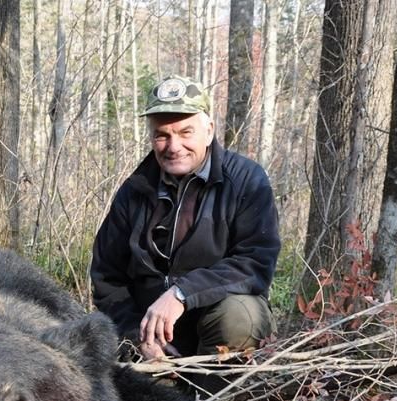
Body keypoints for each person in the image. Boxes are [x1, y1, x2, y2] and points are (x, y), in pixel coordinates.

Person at [90, 75, 280, 371]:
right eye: (162, 135)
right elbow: (107, 277)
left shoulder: (245, 181)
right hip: (151, 336)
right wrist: (135, 336)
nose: (173, 146)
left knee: (242, 315)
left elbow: (255, 263)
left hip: (215, 329)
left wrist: (181, 294)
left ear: (209, 130)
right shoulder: (135, 190)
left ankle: (215, 394)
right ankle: (162, 383)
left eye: (185, 132)